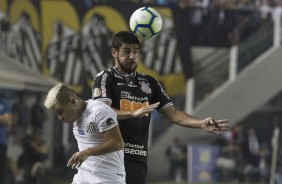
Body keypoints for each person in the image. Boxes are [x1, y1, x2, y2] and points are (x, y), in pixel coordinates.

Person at [92, 31, 229, 184]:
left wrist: (200, 123)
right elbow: (101, 112)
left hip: (137, 158)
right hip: (110, 155)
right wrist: (133, 113)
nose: (132, 56)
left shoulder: (149, 83)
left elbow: (174, 113)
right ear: (114, 52)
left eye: (135, 51)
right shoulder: (105, 77)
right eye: (126, 51)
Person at [44, 83, 126, 183]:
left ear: (73, 102)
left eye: (60, 111)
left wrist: (87, 152)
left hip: (108, 177)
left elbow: (117, 143)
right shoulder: (75, 118)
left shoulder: (99, 111)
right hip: (84, 175)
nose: (60, 117)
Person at [0, 96, 12, 184]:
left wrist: (4, 119)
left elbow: (7, 121)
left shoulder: (4, 103)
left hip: (1, 141)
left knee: (1, 168)